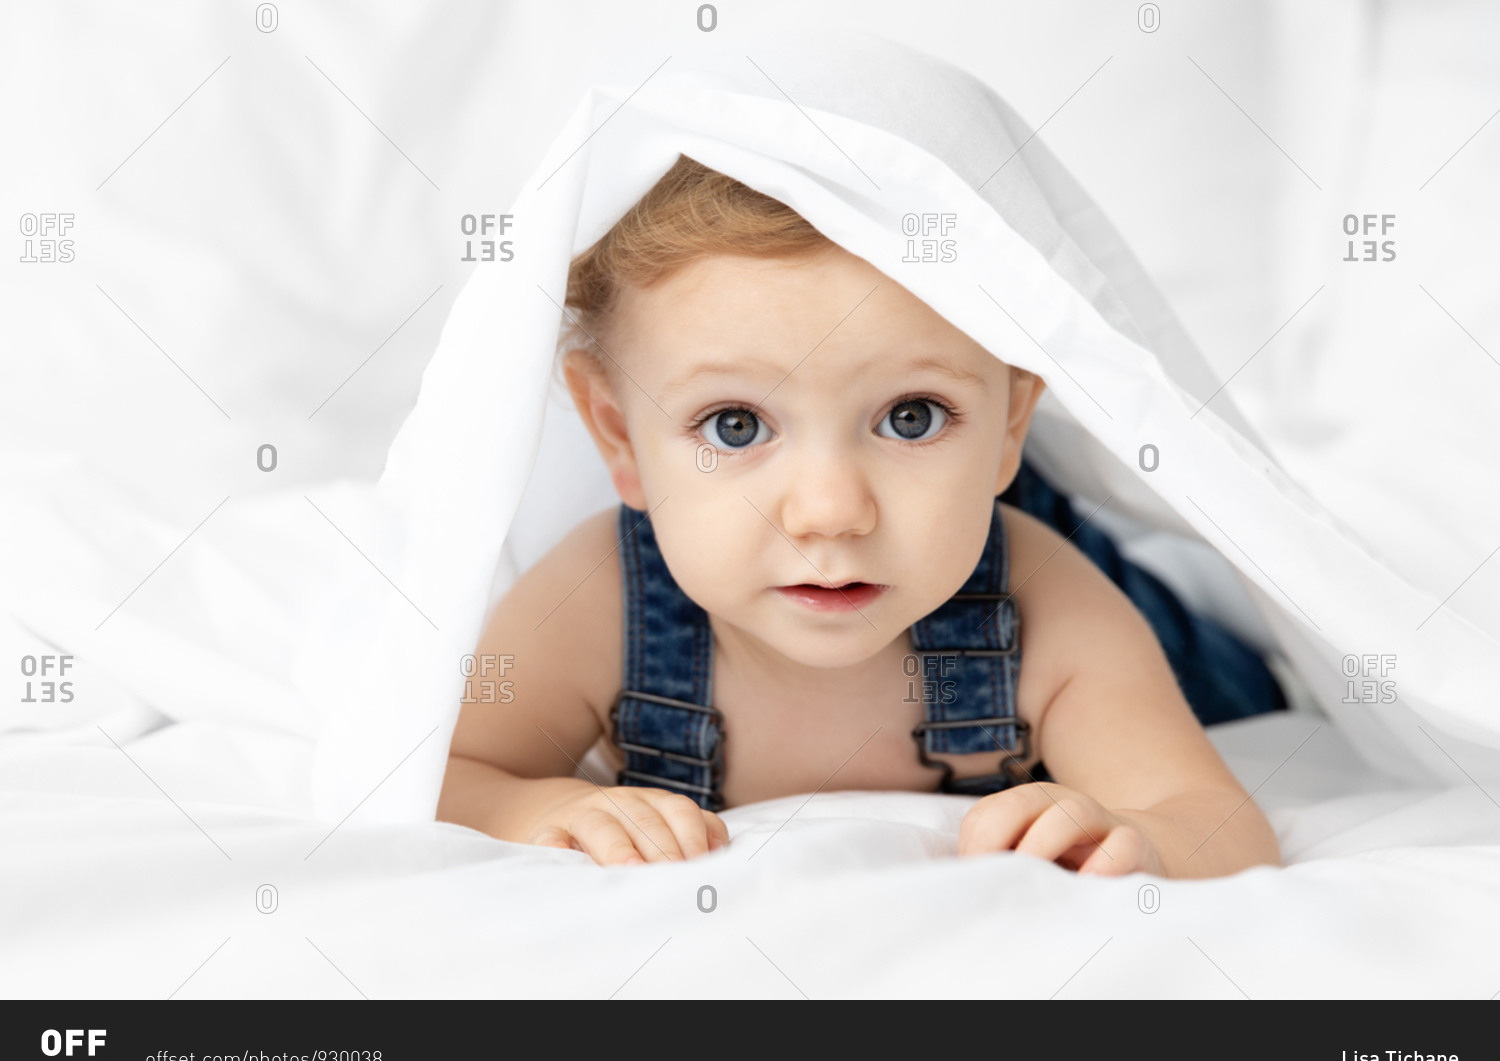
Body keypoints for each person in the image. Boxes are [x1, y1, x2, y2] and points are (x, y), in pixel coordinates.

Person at [436, 154, 1283, 878]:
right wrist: (542, 805)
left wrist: (1148, 840)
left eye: (910, 416)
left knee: (1232, 664)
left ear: (1009, 423)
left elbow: (1211, 815)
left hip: (1180, 650)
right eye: (736, 426)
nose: (830, 513)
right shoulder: (599, 603)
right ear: (619, 435)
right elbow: (449, 769)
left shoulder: (1042, 600)